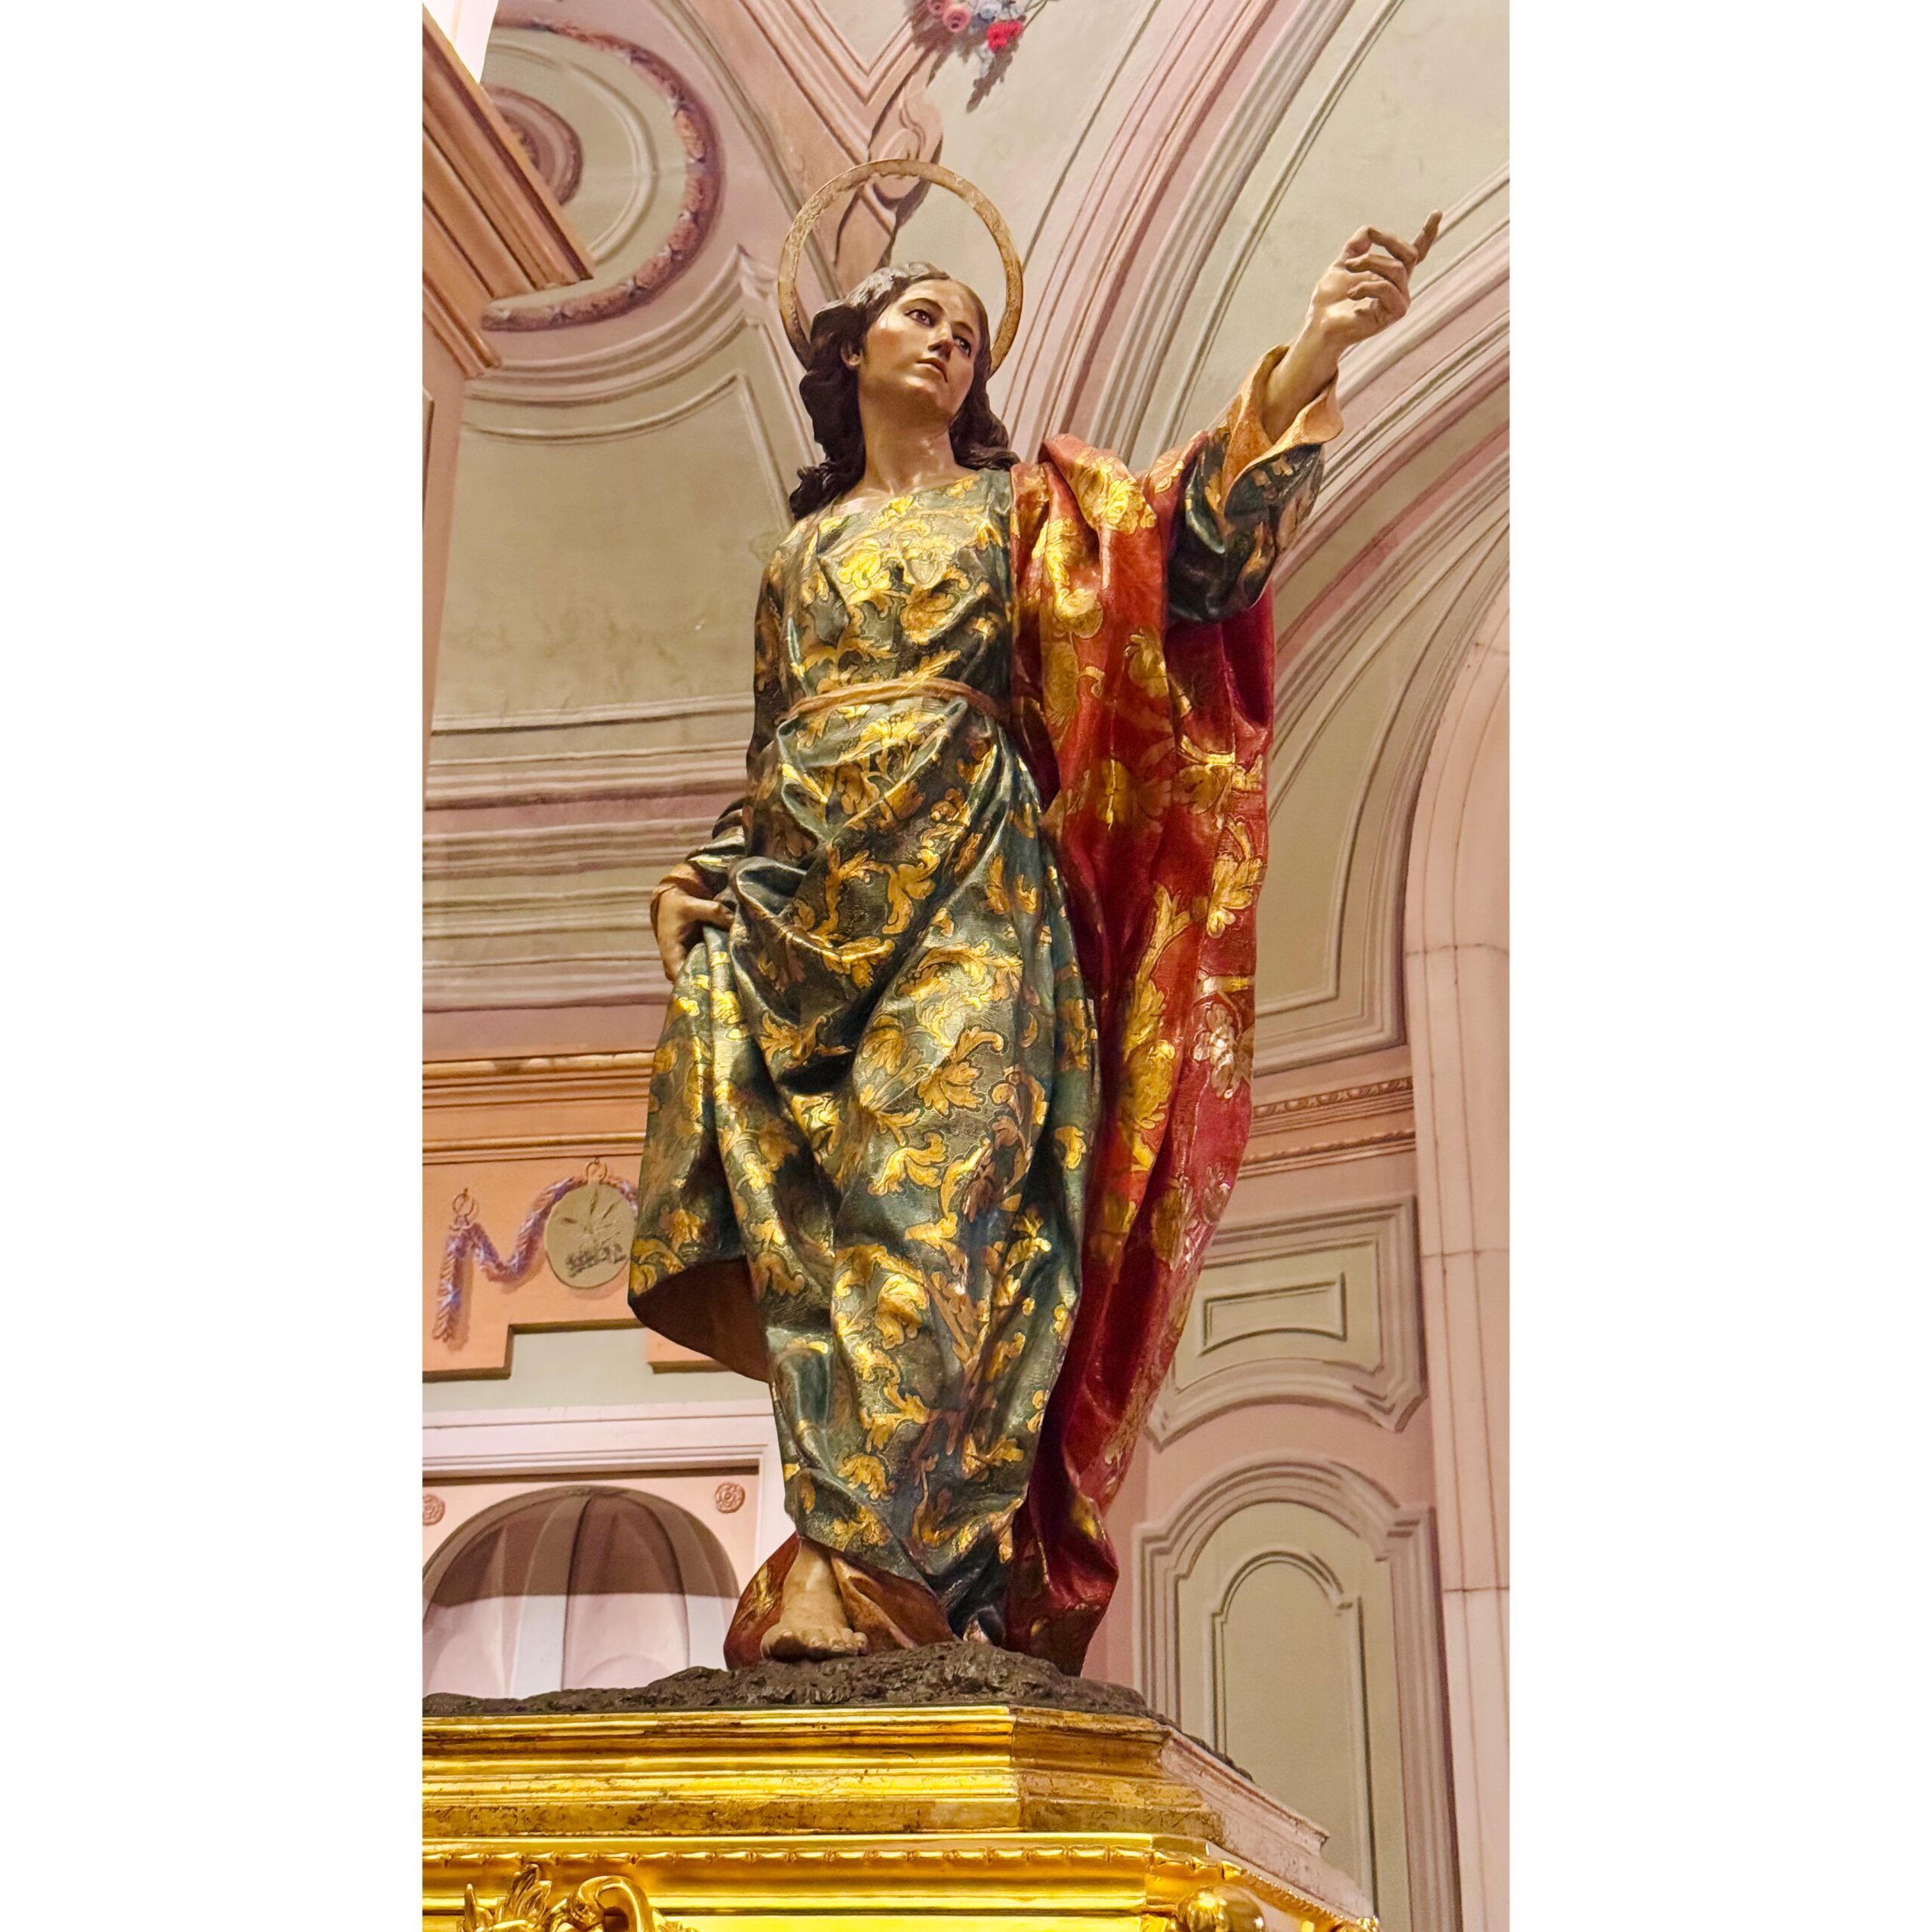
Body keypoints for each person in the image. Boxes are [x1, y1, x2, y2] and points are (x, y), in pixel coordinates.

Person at [629, 173, 1438, 1669]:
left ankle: (874, 1573)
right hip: (807, 916)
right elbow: (777, 749)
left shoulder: (1023, 514)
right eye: (921, 313)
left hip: (971, 890)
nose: (950, 338)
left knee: (930, 1208)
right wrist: (707, 873)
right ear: (850, 349)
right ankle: (862, 1563)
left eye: (970, 329)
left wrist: (1313, 352)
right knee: (824, 1233)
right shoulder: (797, 559)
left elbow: (1187, 543)